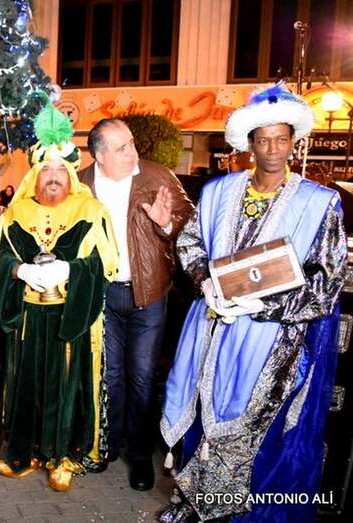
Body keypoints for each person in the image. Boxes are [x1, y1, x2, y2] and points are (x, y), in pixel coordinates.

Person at [159, 83, 347, 522]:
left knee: (252, 425)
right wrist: (205, 280)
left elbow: (328, 281)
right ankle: (196, 501)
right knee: (204, 415)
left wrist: (261, 306)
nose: (273, 149)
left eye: (282, 139)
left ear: (293, 142)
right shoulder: (217, 193)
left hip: (272, 340)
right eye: (264, 141)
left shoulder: (319, 203)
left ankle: (237, 512)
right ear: (249, 145)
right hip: (211, 326)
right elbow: (190, 244)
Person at [0, 96, 118, 491]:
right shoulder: (15, 213)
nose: (53, 176)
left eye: (60, 170)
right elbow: (1, 262)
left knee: (66, 388)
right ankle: (26, 451)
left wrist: (71, 269)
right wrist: (20, 269)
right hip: (30, 316)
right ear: (34, 174)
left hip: (70, 317)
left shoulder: (91, 210)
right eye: (46, 169)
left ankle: (65, 455)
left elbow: (106, 266)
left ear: (71, 175)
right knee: (26, 384)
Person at [78, 118, 194, 490]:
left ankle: (140, 453)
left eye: (132, 144)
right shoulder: (81, 185)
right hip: (102, 294)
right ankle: (108, 444)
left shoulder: (157, 176)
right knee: (109, 376)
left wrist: (165, 224)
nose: (133, 153)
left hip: (149, 293)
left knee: (142, 377)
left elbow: (190, 222)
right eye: (122, 148)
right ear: (99, 155)